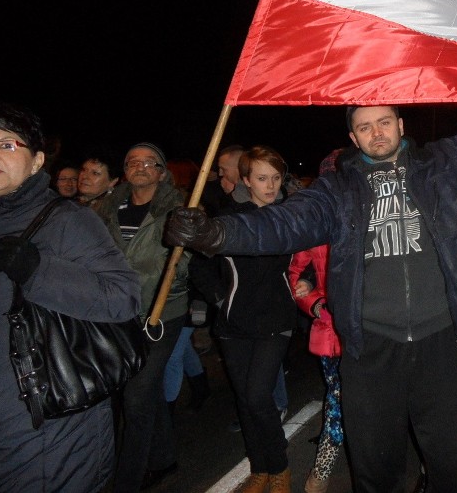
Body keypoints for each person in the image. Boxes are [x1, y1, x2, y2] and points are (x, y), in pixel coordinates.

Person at [165, 47, 457, 493]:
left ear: (401, 125)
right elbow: (282, 222)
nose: (376, 133)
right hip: (369, 350)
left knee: (448, 465)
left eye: (384, 122)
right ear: (353, 138)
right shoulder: (335, 188)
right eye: (364, 127)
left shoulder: (451, 163)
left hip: (440, 341)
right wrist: (215, 235)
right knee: (374, 470)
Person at [0, 102, 141, 493]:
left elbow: (122, 297)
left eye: (7, 145)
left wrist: (38, 271)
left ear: (38, 160)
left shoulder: (65, 220)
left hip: (47, 424)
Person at [189, 145, 297, 493]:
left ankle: (279, 467)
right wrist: (221, 299)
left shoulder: (293, 217)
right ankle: (260, 468)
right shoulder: (229, 220)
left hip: (276, 320)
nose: (270, 185)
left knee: (256, 397)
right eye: (262, 178)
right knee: (245, 399)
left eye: (276, 178)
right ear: (246, 180)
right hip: (234, 324)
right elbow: (199, 266)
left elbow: (310, 257)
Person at [96, 142, 191, 492]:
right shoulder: (106, 210)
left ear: (161, 172)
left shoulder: (179, 209)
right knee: (141, 391)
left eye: (148, 162)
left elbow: (188, 258)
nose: (139, 167)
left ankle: (128, 480)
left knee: (135, 397)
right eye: (132, 162)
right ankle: (164, 460)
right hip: (119, 314)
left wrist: (174, 269)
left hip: (162, 313)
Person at [288, 148, 345, 493]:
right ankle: (322, 468)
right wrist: (316, 304)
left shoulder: (379, 214)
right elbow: (295, 275)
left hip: (380, 328)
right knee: (337, 399)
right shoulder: (315, 223)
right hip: (332, 330)